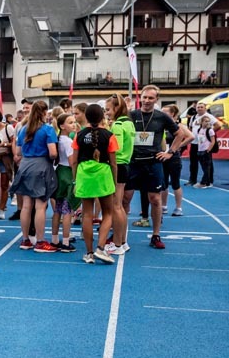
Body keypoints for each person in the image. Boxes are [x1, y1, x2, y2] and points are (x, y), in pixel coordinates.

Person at [124, 85, 191, 250]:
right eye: (145, 97)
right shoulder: (131, 115)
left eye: (151, 98)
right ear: (140, 97)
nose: (147, 101)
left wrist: (170, 152)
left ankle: (156, 235)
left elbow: (180, 134)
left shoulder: (162, 117)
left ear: (156, 100)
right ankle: (120, 235)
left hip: (153, 163)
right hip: (133, 162)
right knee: (125, 199)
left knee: (155, 199)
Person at [71, 104, 119, 264]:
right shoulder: (110, 136)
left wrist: (75, 180)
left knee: (86, 214)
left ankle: (89, 253)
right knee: (108, 213)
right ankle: (100, 247)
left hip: (84, 174)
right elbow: (114, 163)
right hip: (103, 174)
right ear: (102, 117)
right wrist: (114, 182)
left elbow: (74, 161)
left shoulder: (78, 135)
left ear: (86, 117)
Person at [11, 100, 59, 252]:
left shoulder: (23, 129)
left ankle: (25, 239)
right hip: (41, 166)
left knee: (26, 205)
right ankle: (40, 241)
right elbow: (53, 153)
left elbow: (18, 152)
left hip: (25, 166)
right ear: (44, 112)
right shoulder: (47, 129)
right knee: (40, 206)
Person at [104, 94, 134, 255]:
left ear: (117, 108)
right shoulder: (129, 123)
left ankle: (116, 244)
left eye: (108, 109)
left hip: (118, 165)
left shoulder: (118, 125)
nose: (107, 113)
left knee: (116, 206)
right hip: (125, 164)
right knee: (120, 206)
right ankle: (122, 241)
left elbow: (117, 147)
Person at [49, 113, 80, 252]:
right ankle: (66, 242)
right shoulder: (67, 141)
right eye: (70, 122)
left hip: (59, 172)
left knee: (57, 209)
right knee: (67, 210)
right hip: (67, 173)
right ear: (62, 126)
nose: (74, 124)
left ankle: (55, 239)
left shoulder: (59, 139)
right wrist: (75, 179)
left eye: (74, 121)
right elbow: (72, 161)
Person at [160, 104, 188, 215]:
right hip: (162, 157)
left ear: (172, 113)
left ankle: (178, 208)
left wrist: (177, 146)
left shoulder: (177, 126)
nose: (162, 114)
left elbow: (191, 136)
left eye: (165, 112)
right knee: (163, 183)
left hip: (174, 157)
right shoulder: (161, 125)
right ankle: (164, 206)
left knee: (175, 183)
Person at [194, 114, 217, 188]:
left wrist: (208, 149)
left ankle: (203, 183)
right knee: (204, 168)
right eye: (205, 121)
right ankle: (208, 182)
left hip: (206, 151)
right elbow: (200, 140)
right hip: (200, 150)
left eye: (208, 121)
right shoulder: (199, 130)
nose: (207, 123)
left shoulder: (210, 130)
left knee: (207, 168)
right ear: (201, 122)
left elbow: (213, 141)